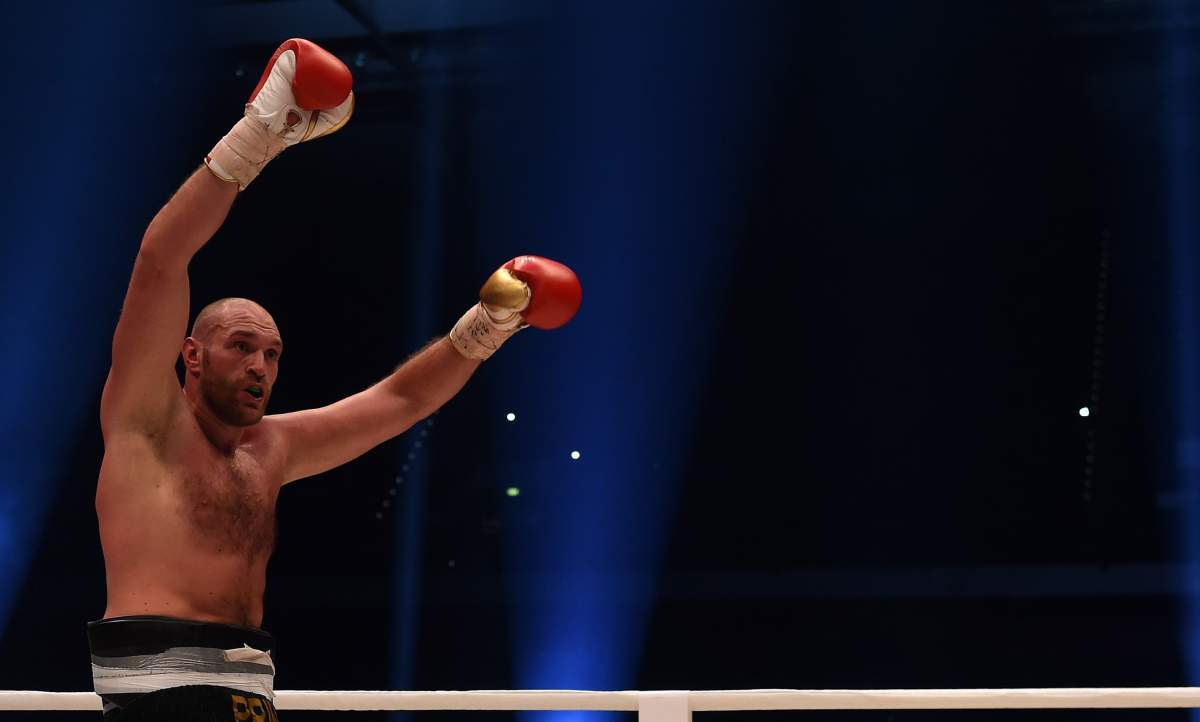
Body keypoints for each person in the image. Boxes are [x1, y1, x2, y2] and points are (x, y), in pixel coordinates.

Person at [88, 38, 582, 722]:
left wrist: (486, 328)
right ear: (191, 356)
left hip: (247, 685)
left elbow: (401, 399)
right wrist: (256, 137)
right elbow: (160, 259)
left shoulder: (270, 450)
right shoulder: (147, 422)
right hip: (159, 685)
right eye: (241, 347)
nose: (260, 367)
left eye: (272, 354)